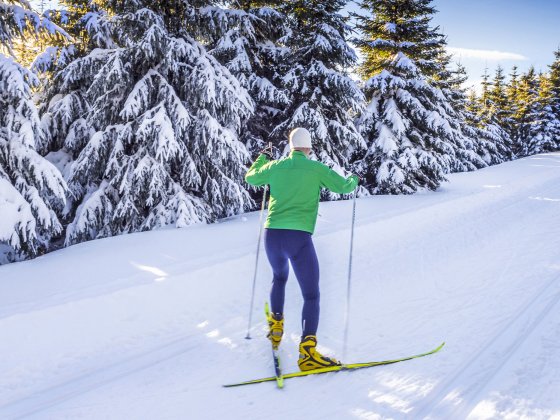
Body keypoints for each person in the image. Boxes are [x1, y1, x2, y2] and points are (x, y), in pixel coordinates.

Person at [245, 127, 359, 371]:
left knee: (279, 277)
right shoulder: (315, 168)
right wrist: (354, 180)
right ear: (309, 147)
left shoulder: (275, 167)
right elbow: (344, 188)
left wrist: (263, 158)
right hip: (298, 238)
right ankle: (307, 354)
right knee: (311, 295)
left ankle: (276, 328)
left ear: (291, 146)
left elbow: (251, 177)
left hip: (272, 236)